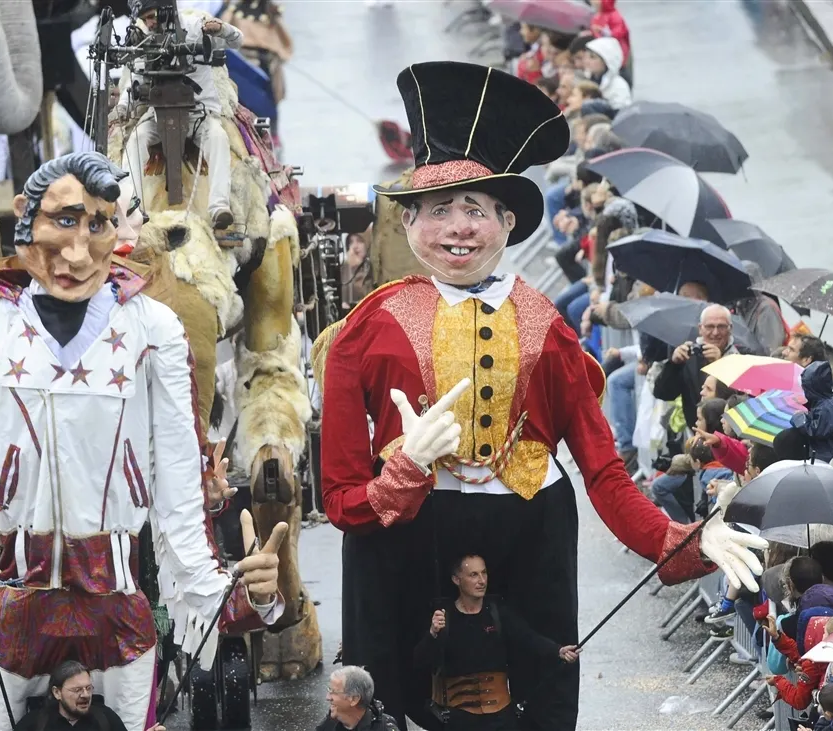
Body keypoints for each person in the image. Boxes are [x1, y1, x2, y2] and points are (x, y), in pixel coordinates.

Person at [314, 61, 766, 731]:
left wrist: (685, 541)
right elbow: (340, 497)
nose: (459, 227)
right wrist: (404, 471)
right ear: (409, 223)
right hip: (405, 544)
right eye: (439, 210)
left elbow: (604, 471)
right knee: (387, 704)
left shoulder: (546, 327)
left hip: (527, 539)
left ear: (506, 221)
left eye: (476, 209)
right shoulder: (367, 329)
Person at [0, 152, 288, 731]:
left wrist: (247, 595)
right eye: (64, 220)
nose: (79, 252)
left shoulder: (153, 330)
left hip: (118, 613)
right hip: (10, 612)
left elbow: (181, 508)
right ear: (25, 217)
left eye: (99, 224)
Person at [115, 0, 242, 229]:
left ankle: (219, 207)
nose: (149, 24)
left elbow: (237, 41)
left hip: (199, 113)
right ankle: (132, 209)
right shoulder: (145, 39)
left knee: (218, 138)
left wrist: (222, 29)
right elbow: (137, 80)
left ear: (167, 10)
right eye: (144, 20)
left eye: (152, 16)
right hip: (158, 113)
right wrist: (124, 105)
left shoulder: (196, 27)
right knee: (136, 141)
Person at [414, 555, 580, 729]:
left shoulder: (497, 613)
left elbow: (528, 638)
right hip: (458, 719)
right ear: (456, 579)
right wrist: (432, 633)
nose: (482, 581)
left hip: (500, 718)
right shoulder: (443, 617)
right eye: (473, 575)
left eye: (484, 573)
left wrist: (558, 650)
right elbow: (419, 661)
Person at [653, 304, 753, 432]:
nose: (715, 333)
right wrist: (673, 365)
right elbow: (663, 394)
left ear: (730, 328)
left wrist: (720, 364)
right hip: (697, 431)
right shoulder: (689, 355)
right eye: (710, 327)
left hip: (730, 432)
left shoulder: (743, 355)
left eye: (721, 327)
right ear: (700, 329)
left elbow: (744, 397)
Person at [14, 660, 165, 731]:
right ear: (57, 692)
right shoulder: (35, 723)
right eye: (77, 690)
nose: (85, 695)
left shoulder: (106, 719)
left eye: (88, 688)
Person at [790, 361, 833, 462]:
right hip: (828, 452)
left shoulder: (826, 408)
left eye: (805, 388)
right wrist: (808, 406)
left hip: (829, 456)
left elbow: (815, 431)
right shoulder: (825, 402)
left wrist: (799, 417)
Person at [317, 666, 400, 731]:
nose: (327, 697)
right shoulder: (331, 721)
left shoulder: (384, 728)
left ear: (354, 699)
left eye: (334, 692)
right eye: (329, 690)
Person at [582, 37, 631, 110]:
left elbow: (622, 112)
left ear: (606, 61)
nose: (587, 62)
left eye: (592, 57)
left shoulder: (618, 85)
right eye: (586, 57)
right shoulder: (586, 80)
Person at [342, 232, 374, 309]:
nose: (355, 246)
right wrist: (349, 267)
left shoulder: (374, 267)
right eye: (351, 242)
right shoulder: (344, 268)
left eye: (359, 241)